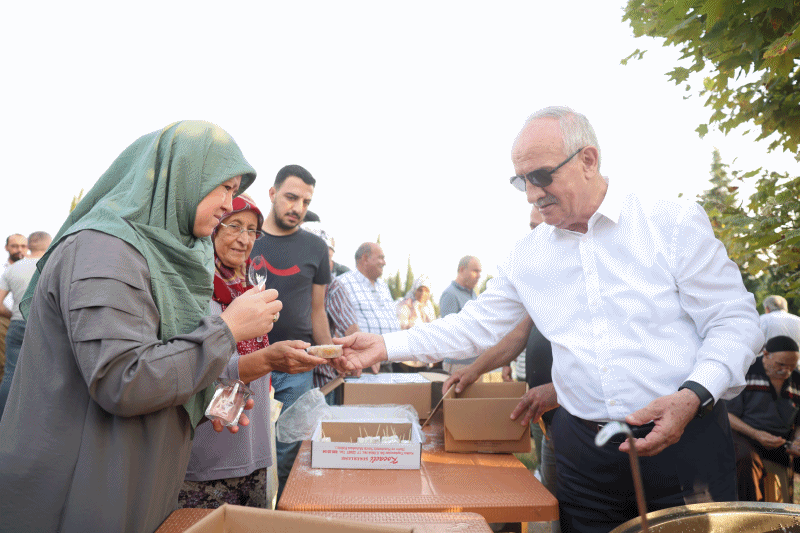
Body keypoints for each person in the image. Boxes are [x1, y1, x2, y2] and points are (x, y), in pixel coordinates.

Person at [333, 106, 763, 533]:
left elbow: (735, 320)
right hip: (587, 456)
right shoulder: (529, 255)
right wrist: (386, 345)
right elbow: (475, 325)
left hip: (687, 445)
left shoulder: (670, 223)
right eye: (521, 181)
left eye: (541, 176)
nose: (531, 194)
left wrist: (693, 395)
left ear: (588, 160)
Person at [0, 120, 282, 533]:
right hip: (79, 491)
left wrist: (207, 392)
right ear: (181, 175)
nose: (229, 204)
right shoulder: (104, 251)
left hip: (126, 483)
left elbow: (160, 351)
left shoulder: (156, 253)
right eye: (223, 187)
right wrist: (227, 329)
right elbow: (123, 379)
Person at [180, 194, 324, 509]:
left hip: (253, 450)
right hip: (208, 460)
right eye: (234, 226)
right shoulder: (191, 294)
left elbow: (242, 365)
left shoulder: (249, 294)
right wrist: (264, 360)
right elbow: (188, 371)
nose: (244, 239)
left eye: (252, 230)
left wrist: (277, 359)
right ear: (212, 228)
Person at [249, 164, 332, 502]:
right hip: (249, 364)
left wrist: (330, 354)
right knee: (247, 447)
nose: (298, 207)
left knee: (289, 451)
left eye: (305, 201)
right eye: (291, 197)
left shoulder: (316, 249)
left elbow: (318, 310)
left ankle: (284, 515)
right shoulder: (246, 237)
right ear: (272, 194)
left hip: (298, 365)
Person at [726, 335, 800, 502]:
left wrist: (797, 439)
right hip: (745, 435)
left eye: (792, 366)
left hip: (782, 441)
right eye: (781, 365)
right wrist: (756, 434)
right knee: (747, 460)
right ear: (766, 355)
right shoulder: (746, 373)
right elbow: (728, 415)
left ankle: (792, 516)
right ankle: (752, 515)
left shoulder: (797, 379)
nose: (786, 371)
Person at [302, 220, 361, 402]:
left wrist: (358, 356)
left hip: (322, 380)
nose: (324, 263)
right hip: (289, 374)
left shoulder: (333, 286)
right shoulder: (291, 284)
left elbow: (350, 327)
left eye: (328, 257)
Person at [0, 231, 51, 416]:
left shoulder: (13, 269)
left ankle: (4, 421)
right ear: (49, 244)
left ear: (29, 245)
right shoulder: (53, 265)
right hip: (45, 327)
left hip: (16, 325)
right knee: (45, 375)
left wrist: (14, 313)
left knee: (10, 374)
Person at [439, 255, 481, 373]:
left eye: (479, 272)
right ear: (462, 270)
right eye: (475, 271)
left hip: (475, 363)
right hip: (458, 364)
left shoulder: (473, 294)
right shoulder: (450, 294)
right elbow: (450, 332)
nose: (479, 276)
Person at [0, 234, 28, 385]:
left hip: (23, 322)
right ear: (6, 248)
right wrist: (12, 315)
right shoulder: (3, 270)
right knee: (5, 366)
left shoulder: (29, 269)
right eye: (15, 246)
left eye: (23, 246)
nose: (19, 250)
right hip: (6, 320)